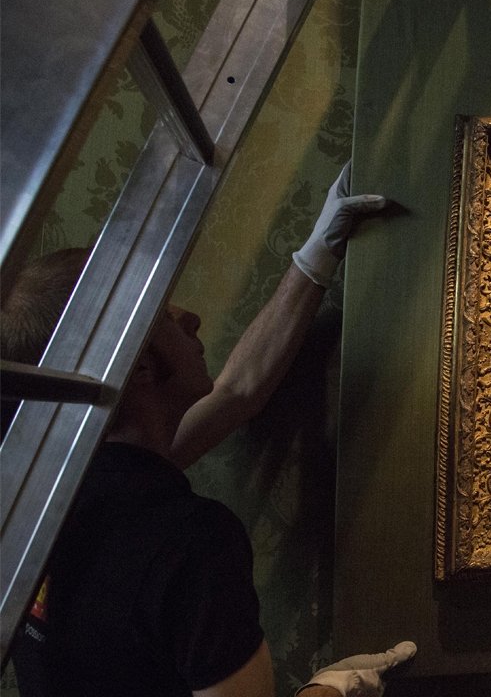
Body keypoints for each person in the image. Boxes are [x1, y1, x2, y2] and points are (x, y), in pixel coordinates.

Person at [2, 163, 414, 697]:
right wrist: (333, 688)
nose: (190, 316)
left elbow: (236, 392)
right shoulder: (188, 541)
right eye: (161, 312)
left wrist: (317, 252)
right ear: (141, 367)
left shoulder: (45, 495)